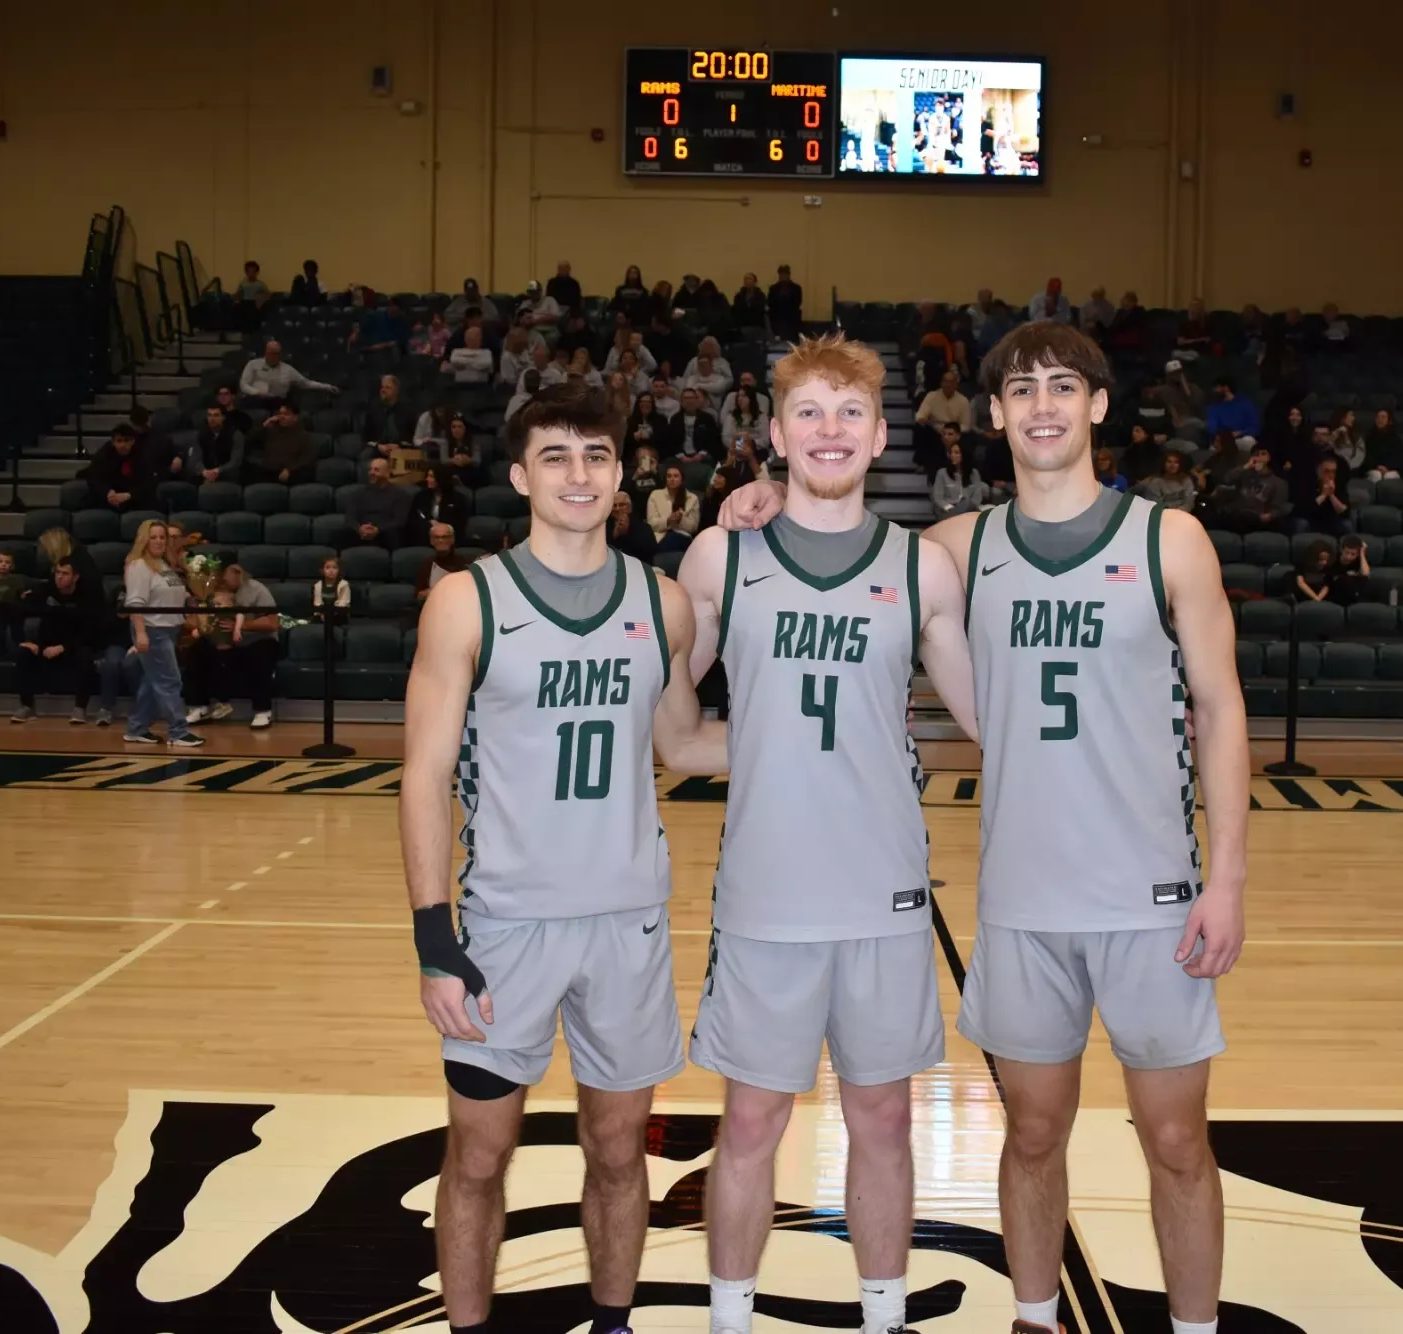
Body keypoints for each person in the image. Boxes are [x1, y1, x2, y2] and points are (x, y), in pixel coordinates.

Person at [714, 320, 1248, 1334]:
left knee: (1177, 1138)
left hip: (1152, 897)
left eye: (1062, 386)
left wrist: (1226, 878)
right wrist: (764, 497)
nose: (1040, 404)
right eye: (1020, 390)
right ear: (993, 414)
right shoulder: (954, 549)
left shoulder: (1167, 539)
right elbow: (834, 534)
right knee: (1032, 1134)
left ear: (1096, 406)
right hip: (1021, 899)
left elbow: (1220, 710)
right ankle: (1034, 1316)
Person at [398, 383, 726, 1334]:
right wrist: (433, 936)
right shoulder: (465, 603)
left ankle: (613, 1322)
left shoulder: (662, 605)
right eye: (555, 457)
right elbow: (423, 779)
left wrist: (837, 733)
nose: (577, 474)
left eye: (594, 456)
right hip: (506, 928)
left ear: (620, 475)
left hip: (627, 924)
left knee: (622, 1151)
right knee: (478, 1156)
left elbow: (685, 744)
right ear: (519, 475)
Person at [675, 332, 977, 1334]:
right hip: (765, 890)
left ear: (881, 433)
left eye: (849, 412)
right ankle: (729, 1318)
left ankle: (883, 1316)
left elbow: (990, 718)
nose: (829, 429)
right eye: (808, 411)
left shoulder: (919, 567)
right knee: (751, 1119)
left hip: (884, 889)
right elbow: (673, 730)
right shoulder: (723, 553)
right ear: (773, 433)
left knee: (882, 1118)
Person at [121, 519, 203, 747]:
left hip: (169, 628)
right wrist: (141, 633)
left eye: (162, 537)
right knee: (170, 681)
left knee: (152, 681)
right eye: (153, 537)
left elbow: (169, 591)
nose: (158, 541)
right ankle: (178, 732)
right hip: (152, 629)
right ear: (144, 539)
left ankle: (136, 728)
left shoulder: (162, 563)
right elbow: (135, 602)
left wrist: (188, 597)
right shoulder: (139, 565)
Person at [10, 558, 113, 723]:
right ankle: (27, 706)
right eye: (57, 572)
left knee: (85, 656)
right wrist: (24, 641)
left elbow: (90, 632)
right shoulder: (45, 590)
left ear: (75, 577)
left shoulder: (87, 596)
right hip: (45, 646)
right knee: (23, 654)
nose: (60, 577)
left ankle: (80, 709)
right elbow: (17, 609)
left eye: (65, 573)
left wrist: (63, 647)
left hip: (74, 647)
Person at [214, 562, 280, 728]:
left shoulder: (257, 590)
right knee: (200, 649)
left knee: (259, 654)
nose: (223, 579)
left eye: (225, 574)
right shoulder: (215, 589)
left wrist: (242, 626)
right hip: (226, 642)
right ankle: (199, 705)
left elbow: (273, 622)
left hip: (258, 639)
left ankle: (262, 711)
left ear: (237, 572)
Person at [1211, 442, 1291, 533]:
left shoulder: (1279, 482)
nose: (1259, 457)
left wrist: (1269, 516)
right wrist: (1246, 467)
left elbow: (1278, 507)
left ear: (1270, 457)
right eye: (1256, 454)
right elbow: (1227, 478)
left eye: (1263, 454)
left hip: (1259, 518)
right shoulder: (1244, 474)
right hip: (1237, 515)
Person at [86, 423, 159, 511]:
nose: (123, 445)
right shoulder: (103, 455)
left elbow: (149, 483)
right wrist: (107, 492)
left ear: (133, 441)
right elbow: (93, 477)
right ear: (113, 442)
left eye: (126, 440)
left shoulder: (142, 455)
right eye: (119, 441)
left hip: (133, 498)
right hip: (108, 498)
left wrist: (129, 495)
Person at [238, 340, 337, 404]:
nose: (274, 356)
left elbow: (306, 383)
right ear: (266, 353)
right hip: (255, 399)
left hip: (278, 401)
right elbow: (244, 384)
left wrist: (326, 386)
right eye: (271, 353)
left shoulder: (288, 369)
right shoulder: (253, 364)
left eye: (276, 354)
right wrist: (256, 393)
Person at [346, 456, 413, 550]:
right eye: (370, 469)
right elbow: (350, 518)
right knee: (339, 534)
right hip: (361, 533)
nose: (371, 473)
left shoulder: (400, 494)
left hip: (385, 534)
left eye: (376, 470)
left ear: (387, 472)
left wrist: (377, 530)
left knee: (394, 534)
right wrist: (359, 529)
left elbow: (400, 521)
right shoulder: (358, 493)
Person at [251, 402, 319, 485]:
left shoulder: (304, 436)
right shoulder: (269, 432)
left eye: (286, 414)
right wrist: (264, 426)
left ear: (295, 417)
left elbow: (307, 459)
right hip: (268, 473)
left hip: (292, 474)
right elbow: (250, 442)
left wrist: (289, 469)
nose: (282, 417)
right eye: (279, 414)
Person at [931, 433, 988, 520]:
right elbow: (938, 497)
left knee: (969, 503)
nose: (953, 455)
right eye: (951, 453)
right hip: (948, 510)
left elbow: (977, 497)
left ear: (964, 455)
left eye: (957, 453)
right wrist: (950, 508)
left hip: (968, 510)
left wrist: (966, 509)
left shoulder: (974, 473)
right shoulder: (942, 473)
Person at [411, 465, 471, 546]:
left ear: (441, 478)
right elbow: (413, 519)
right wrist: (430, 524)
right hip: (424, 537)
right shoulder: (421, 496)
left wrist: (441, 527)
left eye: (431, 476)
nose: (427, 479)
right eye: (428, 476)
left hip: (450, 539)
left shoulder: (458, 498)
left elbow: (460, 523)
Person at [646, 464, 699, 553]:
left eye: (676, 476)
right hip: (659, 537)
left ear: (682, 479)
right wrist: (668, 520)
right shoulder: (655, 495)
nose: (672, 479)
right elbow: (651, 523)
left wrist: (681, 520)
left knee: (674, 538)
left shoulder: (692, 498)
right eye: (669, 476)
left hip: (682, 536)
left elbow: (693, 527)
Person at [187, 403, 244, 484]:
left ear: (223, 417)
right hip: (205, 474)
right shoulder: (200, 434)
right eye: (209, 415)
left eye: (216, 415)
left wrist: (218, 471)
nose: (212, 419)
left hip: (227, 473)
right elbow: (195, 459)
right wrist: (203, 471)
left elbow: (236, 461)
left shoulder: (235, 434)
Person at [414, 522, 473, 601]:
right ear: (431, 541)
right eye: (436, 537)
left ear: (452, 539)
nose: (441, 540)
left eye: (445, 537)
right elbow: (418, 595)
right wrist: (427, 593)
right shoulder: (426, 564)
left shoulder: (464, 563)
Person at [1294, 456, 1352, 536]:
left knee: (1346, 525)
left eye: (1333, 471)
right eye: (1326, 471)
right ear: (1318, 472)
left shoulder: (1339, 486)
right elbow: (1304, 511)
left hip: (1330, 522)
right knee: (1301, 524)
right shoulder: (1307, 484)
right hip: (1310, 521)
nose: (1331, 475)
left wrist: (1331, 495)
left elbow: (1345, 512)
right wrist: (1323, 495)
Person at [665, 387, 722, 462]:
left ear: (697, 400)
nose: (689, 401)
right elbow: (672, 441)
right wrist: (681, 456)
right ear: (681, 402)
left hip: (702, 455)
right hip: (680, 456)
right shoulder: (675, 419)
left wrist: (701, 454)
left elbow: (712, 440)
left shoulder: (707, 418)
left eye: (692, 398)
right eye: (686, 398)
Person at [363, 375, 412, 458]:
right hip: (377, 449)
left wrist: (399, 446)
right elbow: (366, 437)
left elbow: (411, 437)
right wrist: (378, 446)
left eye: (388, 387)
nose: (383, 390)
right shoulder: (373, 410)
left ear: (396, 390)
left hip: (401, 449)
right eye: (382, 387)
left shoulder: (407, 410)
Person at [679, 337, 734, 405]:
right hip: (694, 394)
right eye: (705, 346)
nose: (707, 348)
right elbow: (685, 379)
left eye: (710, 346)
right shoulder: (693, 362)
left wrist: (702, 386)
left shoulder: (722, 363)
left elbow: (728, 380)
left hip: (714, 395)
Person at [605, 491, 657, 561]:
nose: (617, 509)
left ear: (630, 507)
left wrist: (627, 533)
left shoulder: (641, 525)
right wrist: (614, 536)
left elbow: (650, 550)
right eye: (614, 505)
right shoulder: (603, 525)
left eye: (622, 505)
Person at [1364, 408, 1403, 480]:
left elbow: (1399, 458)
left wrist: (1387, 468)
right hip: (1374, 469)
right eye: (1378, 417)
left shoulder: (1396, 439)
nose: (1380, 420)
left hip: (1391, 469)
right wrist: (1377, 467)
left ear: (1389, 421)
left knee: (1389, 476)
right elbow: (1367, 457)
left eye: (1383, 417)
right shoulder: (1369, 438)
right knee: (1376, 475)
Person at [1332, 534, 1372, 606]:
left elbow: (1366, 574)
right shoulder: (1334, 559)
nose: (1349, 556)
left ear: (1358, 554)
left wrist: (1362, 553)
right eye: (1346, 552)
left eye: (1353, 554)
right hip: (1337, 593)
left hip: (1354, 592)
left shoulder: (1360, 559)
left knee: (1365, 581)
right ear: (1341, 550)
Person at [767, 264, 803, 337]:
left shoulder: (796, 288)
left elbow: (798, 302)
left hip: (791, 316)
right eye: (781, 275)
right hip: (777, 316)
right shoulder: (773, 288)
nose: (783, 277)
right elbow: (770, 302)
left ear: (788, 275)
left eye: (784, 275)